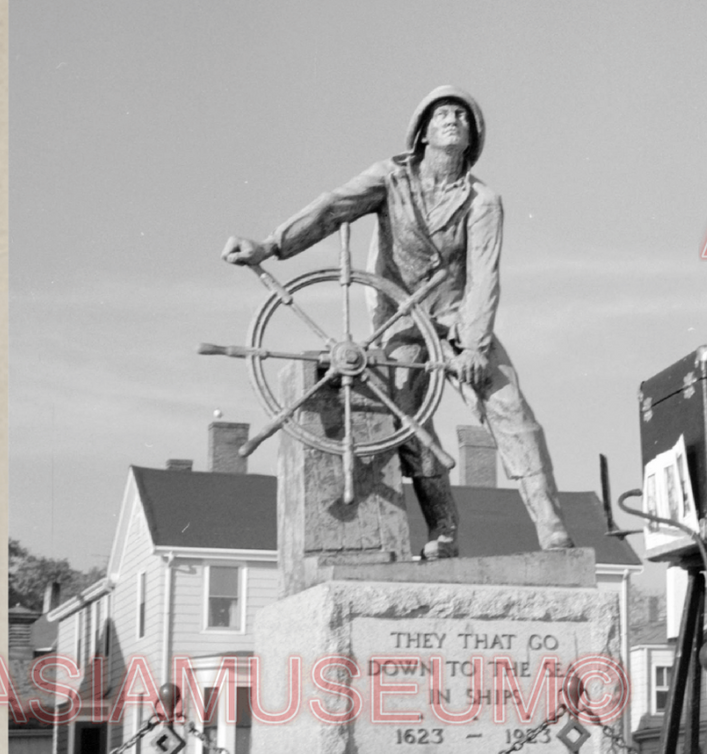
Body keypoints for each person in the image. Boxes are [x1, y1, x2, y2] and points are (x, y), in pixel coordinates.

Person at [222, 86, 573, 557]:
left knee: (514, 414)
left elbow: (485, 275)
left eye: (462, 117)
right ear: (422, 132)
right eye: (443, 114)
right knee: (411, 425)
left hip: (457, 322)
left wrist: (472, 346)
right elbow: (331, 208)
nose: (453, 120)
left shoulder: (482, 201)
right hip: (401, 324)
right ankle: (443, 530)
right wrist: (269, 247)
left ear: (472, 138)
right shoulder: (391, 178)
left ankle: (551, 526)